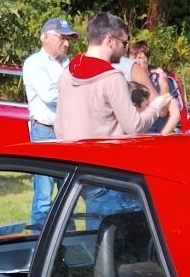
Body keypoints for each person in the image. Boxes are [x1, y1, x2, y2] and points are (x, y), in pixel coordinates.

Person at [56, 12, 172, 217]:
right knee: (112, 241)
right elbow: (134, 127)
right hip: (107, 171)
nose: (125, 49)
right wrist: (157, 106)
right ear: (110, 40)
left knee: (94, 234)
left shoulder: (67, 73)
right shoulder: (111, 77)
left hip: (76, 169)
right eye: (124, 43)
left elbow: (60, 126)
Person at [23, 17, 79, 227]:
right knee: (44, 195)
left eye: (68, 39)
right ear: (44, 38)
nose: (66, 43)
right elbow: (49, 95)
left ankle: (67, 240)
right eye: (62, 37)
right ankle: (38, 243)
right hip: (44, 133)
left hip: (68, 133)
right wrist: (74, 88)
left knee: (69, 192)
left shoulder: (70, 64)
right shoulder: (34, 64)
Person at [127, 40, 181, 134]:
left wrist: (163, 136)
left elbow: (171, 113)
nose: (136, 61)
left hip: (156, 134)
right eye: (132, 58)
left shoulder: (160, 79)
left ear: (149, 59)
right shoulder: (123, 81)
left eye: (140, 57)